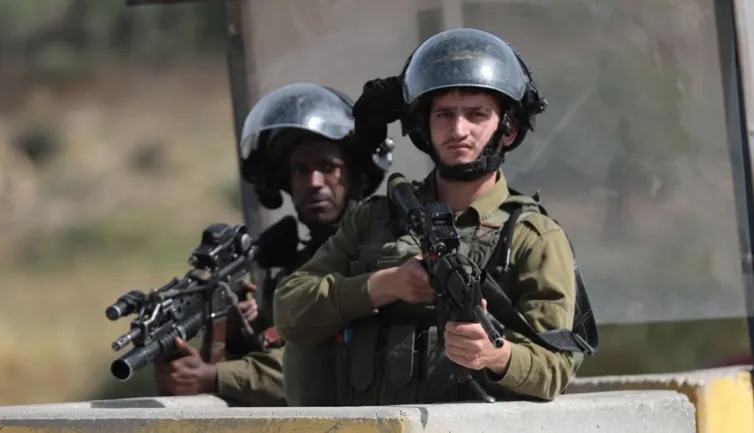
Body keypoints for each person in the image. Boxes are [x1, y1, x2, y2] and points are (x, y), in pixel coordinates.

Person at [273, 28, 599, 406]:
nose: (458, 130)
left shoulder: (532, 236)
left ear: (506, 129)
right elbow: (290, 311)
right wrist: (384, 285)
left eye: (477, 114)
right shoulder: (374, 219)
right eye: (444, 114)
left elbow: (555, 366)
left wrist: (496, 356)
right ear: (423, 126)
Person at [153, 82, 394, 406]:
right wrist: (236, 332)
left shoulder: (377, 253)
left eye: (328, 167)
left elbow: (332, 361)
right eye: (300, 170)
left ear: (356, 174)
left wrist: (213, 376)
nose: (313, 182)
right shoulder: (292, 264)